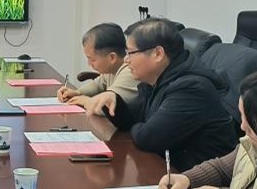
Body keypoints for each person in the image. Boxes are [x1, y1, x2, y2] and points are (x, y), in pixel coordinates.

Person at [96, 18, 238, 170]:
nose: (126, 60)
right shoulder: (156, 80)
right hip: (168, 169)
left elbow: (148, 138)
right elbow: (133, 118)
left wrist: (139, 127)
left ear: (158, 54)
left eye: (131, 53)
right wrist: (113, 101)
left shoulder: (191, 88)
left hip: (198, 178)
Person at [57, 22, 139, 111]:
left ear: (112, 57)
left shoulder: (130, 72)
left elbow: (108, 107)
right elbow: (97, 85)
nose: (89, 64)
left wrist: (87, 101)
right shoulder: (111, 69)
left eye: (92, 60)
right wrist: (77, 93)